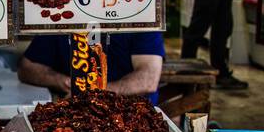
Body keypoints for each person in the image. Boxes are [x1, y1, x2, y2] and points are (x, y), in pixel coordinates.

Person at [17, 31, 165, 104]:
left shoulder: (140, 18)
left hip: (133, 116)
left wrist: (89, 93)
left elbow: (148, 79)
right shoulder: (63, 18)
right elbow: (27, 68)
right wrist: (64, 82)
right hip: (72, 115)